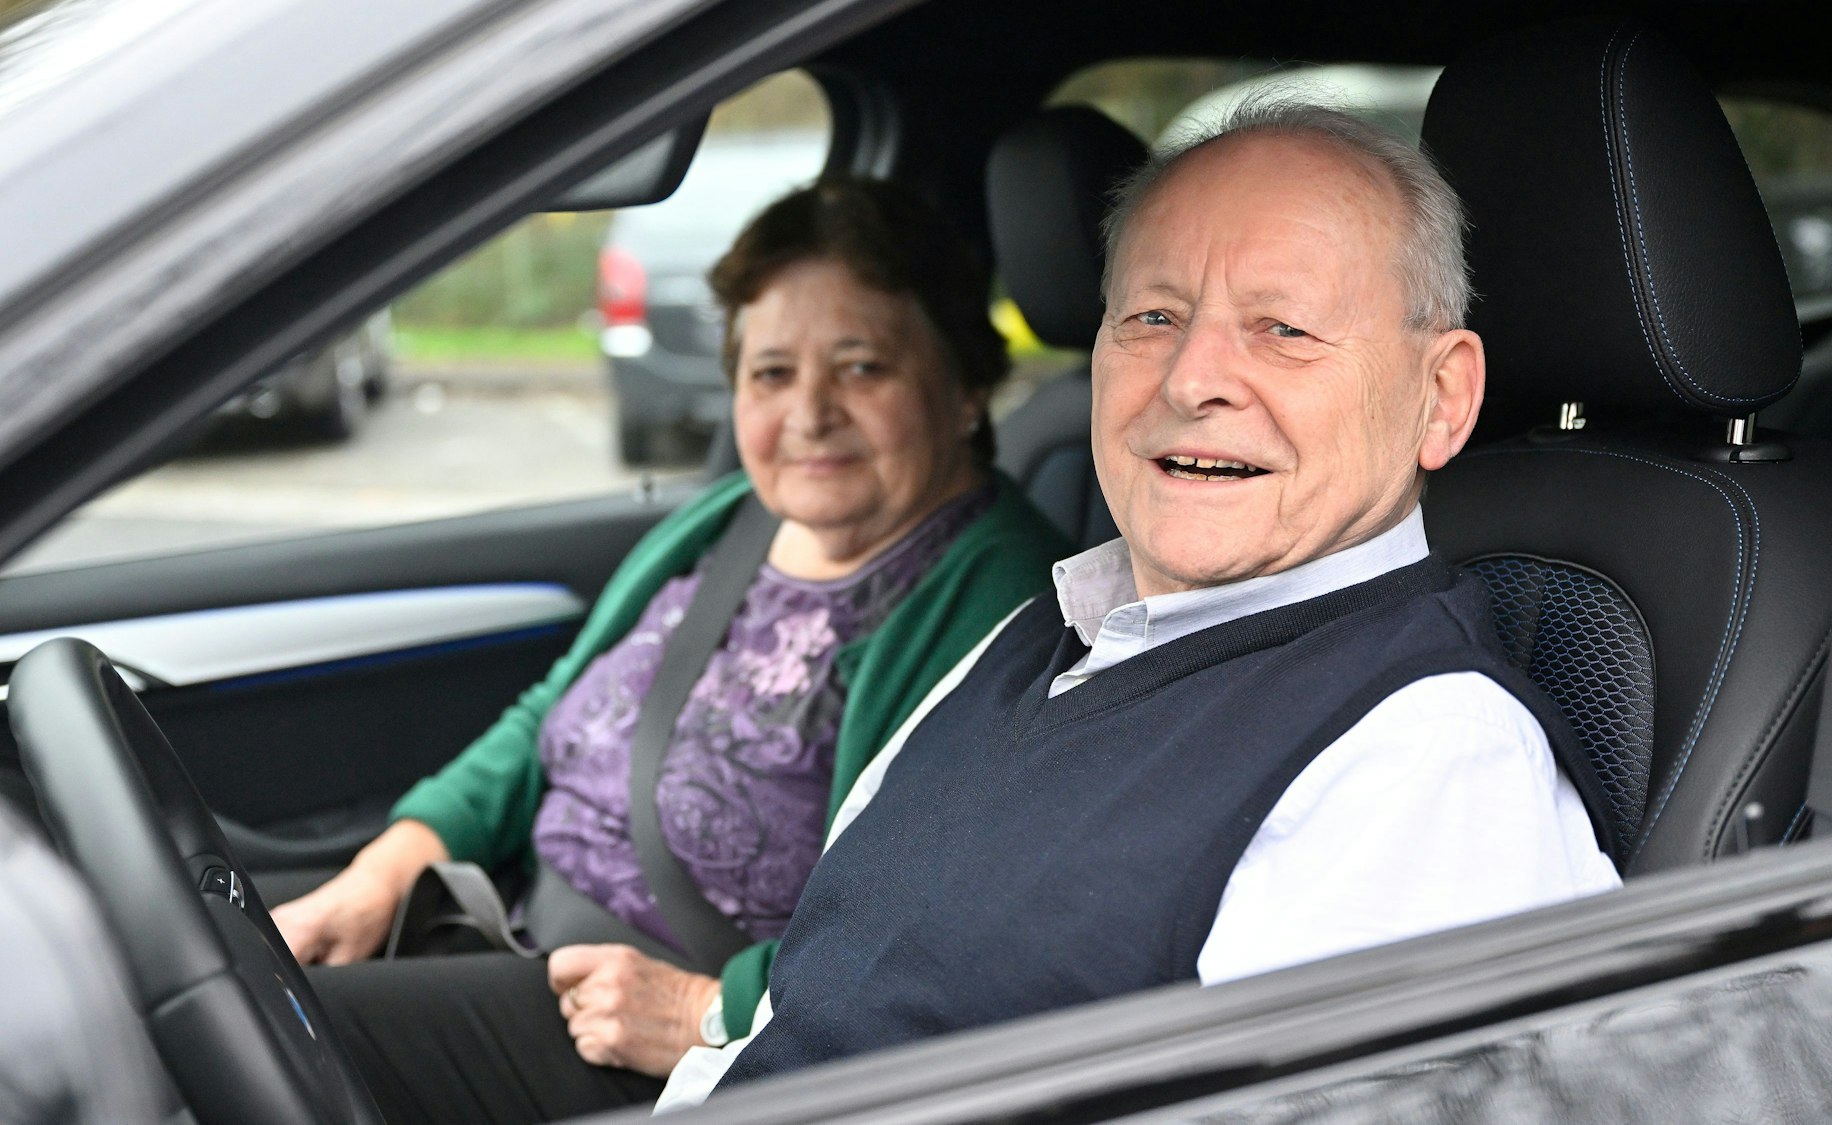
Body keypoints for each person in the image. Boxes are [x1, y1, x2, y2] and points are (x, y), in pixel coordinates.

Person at [658, 99, 1623, 1108]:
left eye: (1281, 329)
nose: (1191, 377)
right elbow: (803, 1005)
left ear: (1441, 397)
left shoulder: (1429, 765)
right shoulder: (1041, 636)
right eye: (1152, 318)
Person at [271, 177, 1073, 1124]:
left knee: (265, 1027)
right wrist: (383, 872)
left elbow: (929, 929)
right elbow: (552, 711)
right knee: (211, 939)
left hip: (653, 1036)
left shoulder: (1001, 600)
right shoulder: (735, 517)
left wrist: (709, 1011)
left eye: (861, 367)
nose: (809, 412)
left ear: (966, 386)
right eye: (772, 373)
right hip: (509, 920)